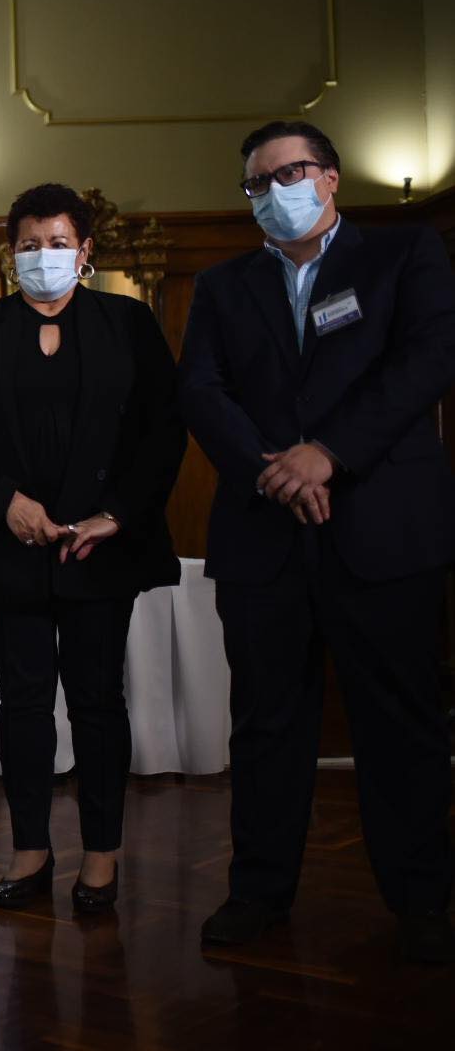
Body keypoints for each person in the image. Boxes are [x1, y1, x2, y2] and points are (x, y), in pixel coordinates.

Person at [179, 121, 455, 964]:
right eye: (256, 183)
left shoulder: (404, 257)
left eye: (288, 173)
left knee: (401, 724)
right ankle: (259, 892)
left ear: (330, 178)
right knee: (265, 725)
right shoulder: (223, 286)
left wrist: (327, 453)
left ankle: (424, 903)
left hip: (383, 533)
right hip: (263, 540)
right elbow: (201, 387)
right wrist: (276, 471)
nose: (272, 192)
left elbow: (429, 359)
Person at [0, 183, 185, 914]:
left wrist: (117, 514)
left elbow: (166, 431)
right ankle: (30, 852)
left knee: (100, 704)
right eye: (31, 244)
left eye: (59, 243)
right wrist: (4, 502)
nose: (45, 256)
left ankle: (102, 858)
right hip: (11, 548)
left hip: (101, 550)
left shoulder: (128, 323)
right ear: (13, 256)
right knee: (24, 705)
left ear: (86, 251)